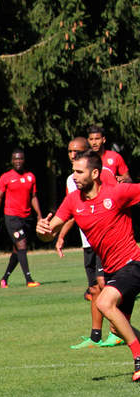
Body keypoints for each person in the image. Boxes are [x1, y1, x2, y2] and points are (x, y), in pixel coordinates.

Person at [38, 151, 140, 382]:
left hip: (133, 262)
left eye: (79, 171)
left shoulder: (117, 192)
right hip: (113, 269)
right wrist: (42, 231)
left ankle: (138, 357)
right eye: (73, 171)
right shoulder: (73, 200)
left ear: (94, 173)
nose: (74, 176)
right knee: (117, 329)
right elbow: (50, 232)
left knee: (104, 302)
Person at [60, 137, 123, 349]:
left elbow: (116, 199)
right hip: (87, 241)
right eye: (69, 151)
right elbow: (70, 212)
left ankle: (118, 330)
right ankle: (95, 336)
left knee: (105, 285)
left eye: (76, 151)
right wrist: (60, 235)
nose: (72, 154)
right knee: (95, 289)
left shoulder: (102, 173)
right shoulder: (71, 179)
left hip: (105, 241)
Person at [0, 148, 42, 287]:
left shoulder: (30, 177)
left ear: (23, 160)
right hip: (12, 218)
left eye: (20, 159)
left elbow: (34, 197)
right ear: (12, 161)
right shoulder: (6, 177)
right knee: (22, 244)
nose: (18, 161)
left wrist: (39, 215)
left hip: (26, 218)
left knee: (17, 250)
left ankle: (4, 278)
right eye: (15, 159)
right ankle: (29, 280)